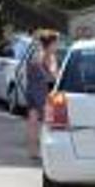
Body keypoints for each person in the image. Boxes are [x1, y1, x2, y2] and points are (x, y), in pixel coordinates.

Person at [26, 30, 59, 159]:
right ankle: (47, 152)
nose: (57, 46)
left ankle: (33, 152)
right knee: (48, 122)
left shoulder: (35, 55)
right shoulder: (49, 57)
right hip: (44, 92)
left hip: (31, 91)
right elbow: (52, 76)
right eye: (56, 43)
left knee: (32, 122)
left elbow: (29, 72)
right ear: (50, 44)